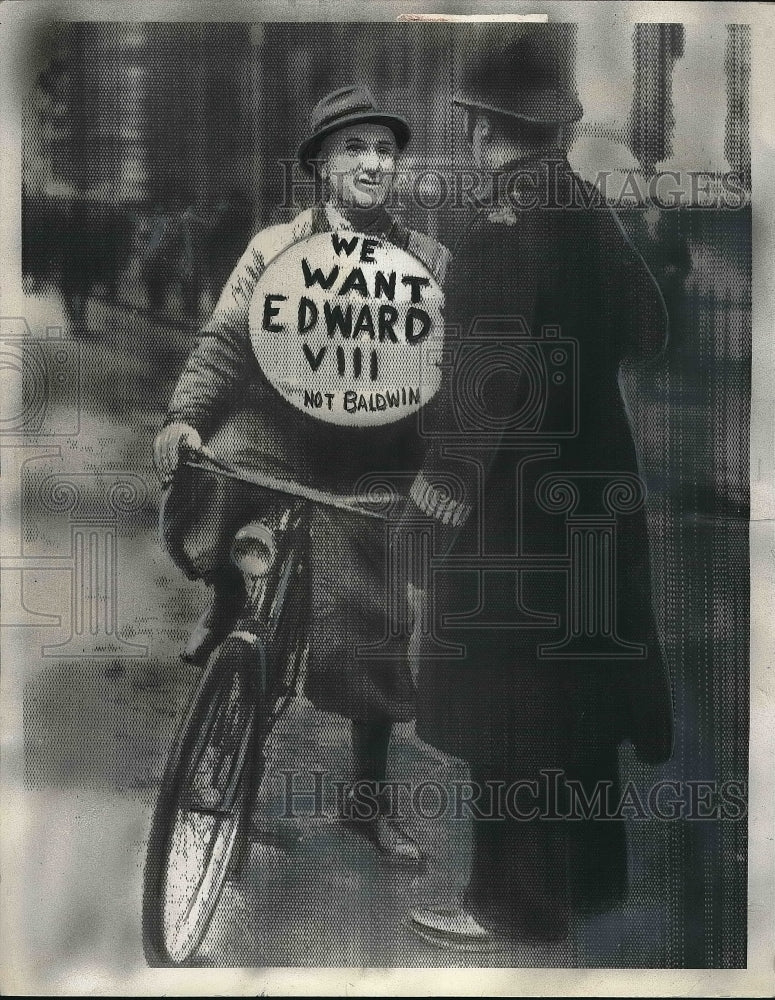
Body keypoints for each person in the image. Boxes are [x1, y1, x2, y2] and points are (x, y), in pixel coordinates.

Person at [402, 28, 675, 945]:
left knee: (506, 702)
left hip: (514, 512)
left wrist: (432, 507)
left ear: (483, 130)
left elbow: (483, 399)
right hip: (597, 495)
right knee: (585, 690)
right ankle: (592, 883)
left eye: (474, 129)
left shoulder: (494, 232)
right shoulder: (587, 210)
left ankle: (506, 904)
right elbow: (649, 326)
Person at [153, 84, 450, 863]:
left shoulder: (427, 260)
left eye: (384, 150)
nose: (372, 163)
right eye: (353, 148)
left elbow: (451, 369)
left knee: (373, 623)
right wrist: (183, 415)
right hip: (279, 429)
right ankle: (227, 599)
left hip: (373, 456)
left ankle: (365, 802)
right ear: (320, 165)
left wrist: (439, 463)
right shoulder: (274, 246)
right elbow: (223, 339)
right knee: (216, 464)